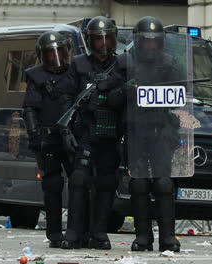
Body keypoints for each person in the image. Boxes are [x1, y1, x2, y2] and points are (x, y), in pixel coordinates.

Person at [119, 16, 183, 252]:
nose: (151, 46)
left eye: (155, 41)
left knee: (164, 184)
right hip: (135, 130)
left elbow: (182, 96)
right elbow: (113, 97)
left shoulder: (170, 64)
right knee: (138, 184)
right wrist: (124, 90)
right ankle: (143, 237)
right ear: (138, 41)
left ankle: (168, 237)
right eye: (146, 41)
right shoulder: (125, 63)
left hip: (160, 130)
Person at [61, 16, 124, 250]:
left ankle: (99, 233)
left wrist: (118, 91)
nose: (104, 44)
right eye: (98, 39)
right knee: (78, 180)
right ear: (90, 41)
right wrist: (66, 131)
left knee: (107, 182)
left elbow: (130, 99)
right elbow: (66, 99)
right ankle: (74, 232)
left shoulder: (122, 65)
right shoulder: (78, 64)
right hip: (85, 130)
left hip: (111, 132)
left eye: (108, 38)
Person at [23, 31, 74, 248]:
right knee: (52, 185)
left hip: (72, 137)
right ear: (42, 56)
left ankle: (77, 230)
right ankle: (54, 233)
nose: (56, 58)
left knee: (81, 183)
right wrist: (36, 136)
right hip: (48, 139)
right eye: (50, 54)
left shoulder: (75, 72)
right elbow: (30, 109)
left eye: (59, 52)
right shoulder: (37, 77)